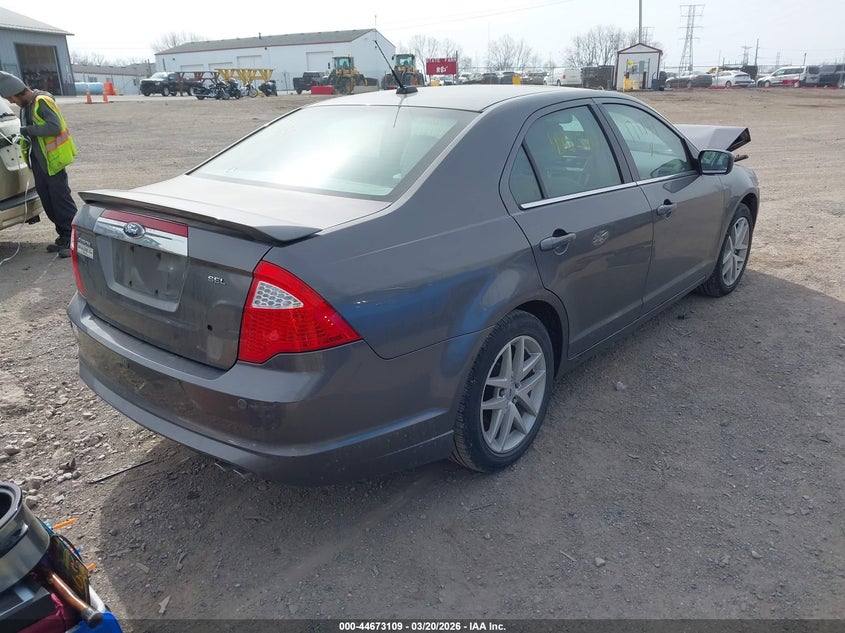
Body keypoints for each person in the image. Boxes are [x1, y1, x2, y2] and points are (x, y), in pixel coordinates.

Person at [0, 71, 77, 258]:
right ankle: (63, 236)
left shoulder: (41, 101)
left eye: (11, 98)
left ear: (17, 92)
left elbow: (54, 127)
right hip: (39, 162)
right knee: (49, 202)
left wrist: (26, 130)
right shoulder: (26, 106)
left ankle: (74, 240)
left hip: (53, 162)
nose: (11, 102)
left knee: (61, 203)